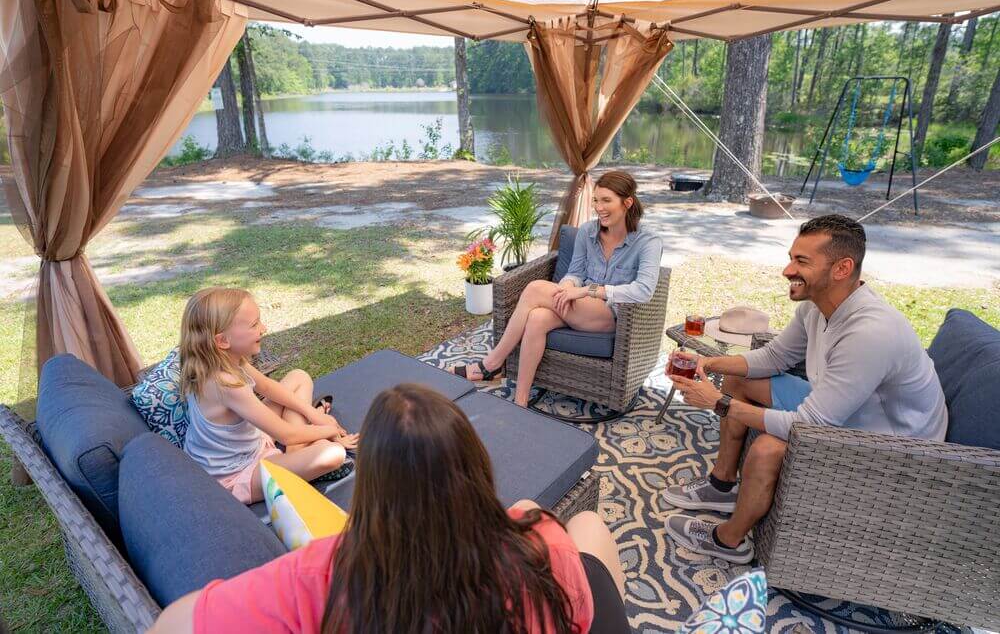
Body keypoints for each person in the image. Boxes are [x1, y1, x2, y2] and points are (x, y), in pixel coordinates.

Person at [150, 383, 630, 634]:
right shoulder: (539, 546)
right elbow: (579, 612)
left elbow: (173, 624)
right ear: (477, 466)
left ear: (374, 487)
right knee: (584, 523)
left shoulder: (317, 577)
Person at [661, 214, 947, 563]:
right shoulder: (818, 306)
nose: (787, 270)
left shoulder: (870, 333)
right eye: (791, 257)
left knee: (768, 448)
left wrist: (718, 402)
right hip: (842, 410)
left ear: (841, 269)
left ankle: (729, 541)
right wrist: (710, 364)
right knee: (739, 378)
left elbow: (809, 425)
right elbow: (776, 357)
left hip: (891, 447)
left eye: (801, 261)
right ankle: (722, 486)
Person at [451, 170, 663, 408]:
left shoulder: (648, 241)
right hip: (578, 309)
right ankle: (520, 403)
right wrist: (566, 288)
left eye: (606, 200)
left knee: (534, 289)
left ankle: (491, 365)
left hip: (611, 317)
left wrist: (586, 291)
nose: (598, 207)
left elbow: (644, 290)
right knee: (537, 317)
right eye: (595, 200)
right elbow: (575, 272)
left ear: (627, 202)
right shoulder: (586, 231)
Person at [180, 287, 359, 505]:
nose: (263, 328)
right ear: (222, 341)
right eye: (254, 325)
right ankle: (300, 458)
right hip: (235, 474)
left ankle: (296, 454)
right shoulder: (223, 384)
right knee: (334, 453)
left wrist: (313, 413)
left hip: (251, 441)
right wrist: (331, 429)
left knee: (299, 377)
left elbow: (266, 386)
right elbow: (286, 435)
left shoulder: (228, 359)